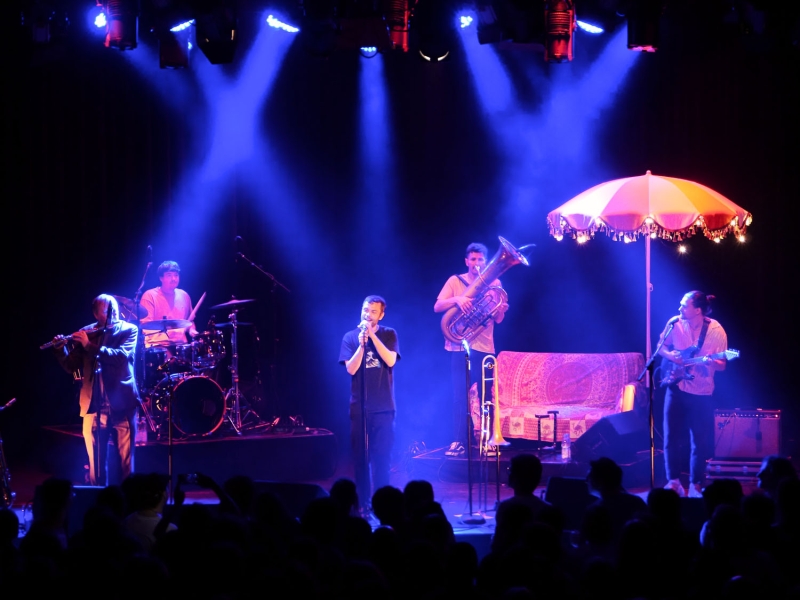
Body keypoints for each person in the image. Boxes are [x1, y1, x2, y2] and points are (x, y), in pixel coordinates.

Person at [51, 294, 139, 486]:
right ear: (96, 314)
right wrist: (60, 349)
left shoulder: (129, 330)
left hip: (123, 405)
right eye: (107, 310)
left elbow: (120, 357)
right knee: (95, 465)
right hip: (93, 405)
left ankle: (129, 500)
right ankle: (97, 500)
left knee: (126, 464)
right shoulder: (87, 332)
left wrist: (89, 346)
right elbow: (71, 366)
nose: (113, 312)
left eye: (115, 308)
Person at [434, 242, 508, 457]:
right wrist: (458, 299)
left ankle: (490, 440)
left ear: (486, 262)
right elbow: (437, 306)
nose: (476, 263)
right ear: (467, 261)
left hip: (485, 346)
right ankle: (459, 441)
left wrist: (501, 309)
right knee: (459, 396)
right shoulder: (455, 281)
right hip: (459, 346)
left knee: (487, 396)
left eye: (480, 259)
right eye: (473, 259)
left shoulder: (495, 283)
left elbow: (498, 319)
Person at [657, 290, 728, 498]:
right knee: (670, 436)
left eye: (684, 305)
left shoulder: (716, 330)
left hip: (701, 391)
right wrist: (672, 357)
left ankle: (696, 484)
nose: (679, 308)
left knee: (699, 440)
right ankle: (673, 482)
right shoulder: (674, 323)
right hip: (676, 387)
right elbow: (661, 347)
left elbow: (722, 365)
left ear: (697, 310)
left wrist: (710, 362)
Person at [339, 295, 400, 509]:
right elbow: (351, 369)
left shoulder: (389, 334)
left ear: (381, 315)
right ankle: (363, 503)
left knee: (382, 459)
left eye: (373, 311)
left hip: (384, 408)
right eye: (366, 310)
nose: (368, 314)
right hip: (359, 408)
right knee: (360, 460)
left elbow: (390, 360)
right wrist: (362, 344)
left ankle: (382, 504)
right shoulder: (350, 337)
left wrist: (373, 337)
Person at [140, 260, 199, 349]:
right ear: (161, 278)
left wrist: (192, 330)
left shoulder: (184, 295)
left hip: (181, 345)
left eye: (176, 275)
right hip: (157, 345)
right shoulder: (149, 295)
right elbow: (145, 325)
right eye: (169, 275)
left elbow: (189, 321)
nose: (173, 279)